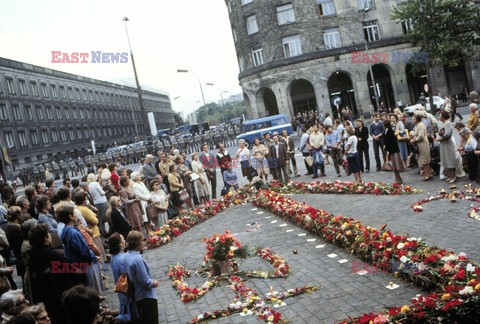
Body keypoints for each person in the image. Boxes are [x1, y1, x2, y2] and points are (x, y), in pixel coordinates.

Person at [28, 224, 77, 324]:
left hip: (43, 298)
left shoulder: (32, 256)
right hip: (59, 295)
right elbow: (71, 270)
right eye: (48, 234)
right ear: (45, 238)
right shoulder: (53, 255)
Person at [57, 206, 103, 294]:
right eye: (74, 213)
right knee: (89, 289)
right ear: (70, 216)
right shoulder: (73, 232)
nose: (76, 215)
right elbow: (84, 250)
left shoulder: (66, 230)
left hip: (76, 263)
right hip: (83, 264)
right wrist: (93, 257)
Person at [125, 231, 158, 324]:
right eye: (142, 241)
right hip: (146, 296)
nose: (143, 242)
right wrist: (154, 283)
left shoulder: (127, 255)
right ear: (137, 243)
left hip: (138, 294)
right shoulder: (137, 259)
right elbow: (145, 282)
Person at [74, 192, 106, 263]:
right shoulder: (84, 209)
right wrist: (95, 216)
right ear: (83, 200)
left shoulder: (76, 208)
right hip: (93, 233)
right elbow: (95, 221)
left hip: (88, 233)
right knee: (98, 253)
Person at [108, 233, 133, 323]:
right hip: (126, 289)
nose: (124, 240)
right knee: (130, 313)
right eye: (122, 239)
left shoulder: (115, 257)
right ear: (119, 244)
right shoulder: (122, 259)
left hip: (121, 288)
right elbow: (127, 277)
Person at [5, 207, 25, 283]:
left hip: (17, 255)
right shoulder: (16, 229)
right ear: (18, 215)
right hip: (21, 256)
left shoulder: (8, 227)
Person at [436, 111, 457, 183]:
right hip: (444, 144)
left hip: (448, 144)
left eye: (440, 115)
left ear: (443, 116)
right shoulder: (444, 123)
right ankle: (450, 175)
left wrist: (440, 138)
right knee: (447, 160)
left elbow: (448, 134)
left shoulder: (447, 123)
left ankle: (453, 176)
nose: (439, 117)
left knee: (450, 160)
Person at [383, 119, 406, 184]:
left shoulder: (390, 131)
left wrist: (386, 147)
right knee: (394, 166)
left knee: (396, 165)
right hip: (391, 150)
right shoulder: (387, 131)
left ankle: (398, 178)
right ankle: (397, 178)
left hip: (393, 151)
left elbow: (390, 142)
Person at [411, 115, 432, 181]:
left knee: (425, 161)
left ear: (417, 119)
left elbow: (421, 136)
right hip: (420, 145)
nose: (412, 121)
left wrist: (414, 140)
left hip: (423, 144)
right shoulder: (417, 125)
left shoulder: (420, 125)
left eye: (414, 119)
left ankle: (428, 175)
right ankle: (426, 174)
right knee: (423, 161)